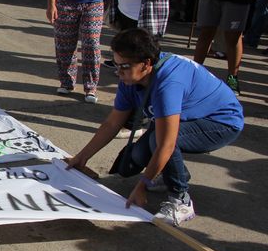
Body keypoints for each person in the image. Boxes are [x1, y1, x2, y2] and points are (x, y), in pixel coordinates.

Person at [67, 28, 243, 227]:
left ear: (146, 63)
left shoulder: (168, 83)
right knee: (138, 155)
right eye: (116, 65)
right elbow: (112, 123)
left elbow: (166, 144)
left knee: (159, 142)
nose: (119, 72)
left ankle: (181, 200)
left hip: (222, 122)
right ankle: (173, 175)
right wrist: (81, 157)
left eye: (124, 66)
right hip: (188, 116)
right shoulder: (130, 79)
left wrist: (143, 185)